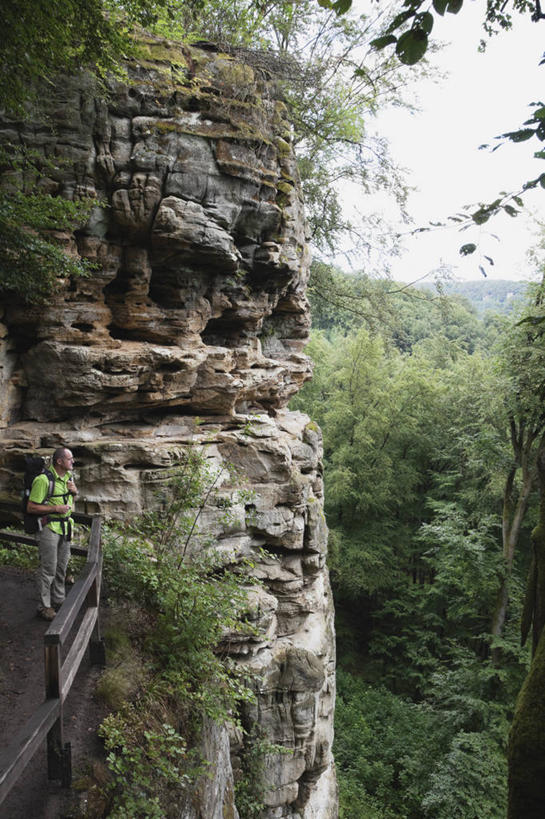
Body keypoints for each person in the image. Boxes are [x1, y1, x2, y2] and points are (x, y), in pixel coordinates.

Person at [27, 447, 78, 620]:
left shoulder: (69, 478)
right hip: (49, 528)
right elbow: (31, 507)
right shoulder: (43, 480)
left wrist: (75, 492)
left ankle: (58, 599)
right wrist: (55, 508)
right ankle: (44, 606)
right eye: (70, 459)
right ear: (59, 461)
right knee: (48, 568)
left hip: (65, 528)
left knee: (61, 566)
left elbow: (70, 501)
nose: (73, 461)